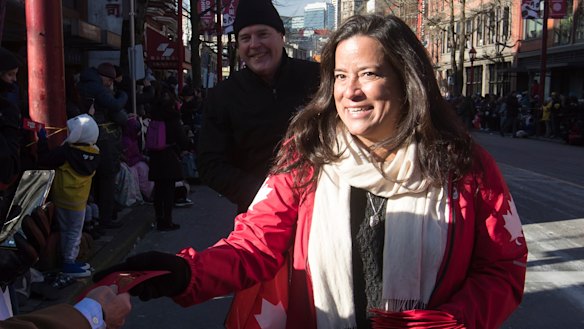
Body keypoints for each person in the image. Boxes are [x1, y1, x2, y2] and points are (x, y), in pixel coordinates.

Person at [95, 15, 527, 328]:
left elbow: (503, 267)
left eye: (369, 74)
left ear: (406, 79)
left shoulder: (463, 164)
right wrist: (186, 272)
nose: (350, 91)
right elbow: (255, 243)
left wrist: (455, 320)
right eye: (340, 76)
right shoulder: (308, 154)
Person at [197, 0, 320, 214]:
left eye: (263, 34)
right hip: (259, 216)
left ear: (282, 37)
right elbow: (210, 164)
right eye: (245, 38)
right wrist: (265, 194)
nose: (254, 45)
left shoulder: (318, 78)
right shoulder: (222, 95)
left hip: (320, 210)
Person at [37, 114, 100, 278]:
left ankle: (68, 261)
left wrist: (42, 140)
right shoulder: (95, 152)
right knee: (74, 232)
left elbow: (45, 159)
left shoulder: (66, 152)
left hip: (61, 197)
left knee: (66, 230)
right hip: (79, 201)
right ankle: (69, 262)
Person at [77, 62, 128, 229]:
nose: (110, 85)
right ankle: (105, 219)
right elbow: (115, 106)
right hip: (101, 138)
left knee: (94, 180)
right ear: (105, 78)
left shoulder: (84, 84)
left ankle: (96, 219)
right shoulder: (97, 88)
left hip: (86, 136)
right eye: (110, 81)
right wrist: (123, 96)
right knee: (106, 177)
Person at [147, 82, 188, 231]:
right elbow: (182, 139)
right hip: (169, 155)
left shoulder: (154, 116)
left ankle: (159, 219)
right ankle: (168, 220)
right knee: (168, 191)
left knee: (158, 190)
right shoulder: (173, 118)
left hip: (155, 156)